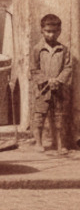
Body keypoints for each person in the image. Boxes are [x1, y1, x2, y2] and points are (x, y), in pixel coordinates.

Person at [30, 12, 73, 154]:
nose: (51, 35)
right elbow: (34, 69)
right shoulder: (37, 49)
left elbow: (68, 67)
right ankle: (38, 143)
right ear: (42, 30)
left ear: (59, 31)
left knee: (59, 117)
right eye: (48, 31)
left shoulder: (63, 49)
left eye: (54, 32)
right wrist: (46, 80)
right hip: (43, 89)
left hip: (58, 89)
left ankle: (60, 144)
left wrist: (59, 80)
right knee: (39, 116)